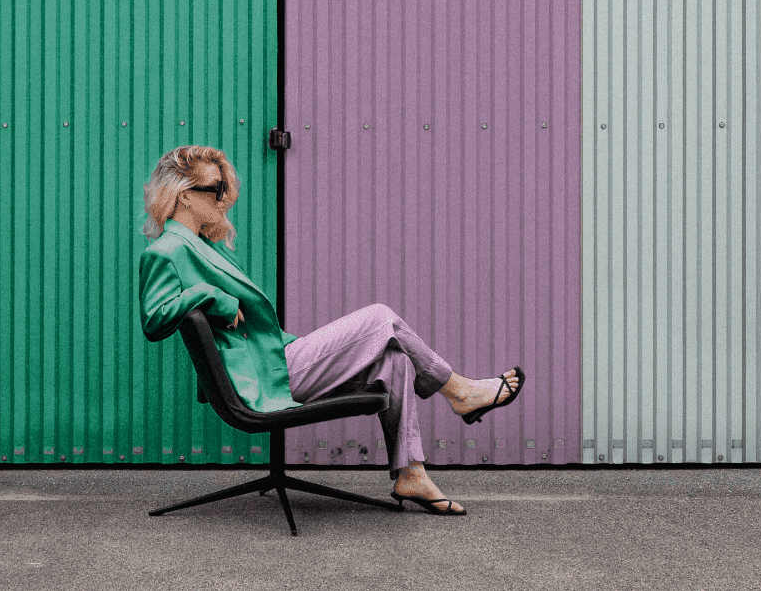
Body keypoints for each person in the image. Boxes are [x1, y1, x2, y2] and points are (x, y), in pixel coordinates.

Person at [137, 144, 523, 516]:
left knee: (395, 360)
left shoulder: (206, 244)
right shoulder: (167, 251)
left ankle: (412, 475)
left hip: (276, 359)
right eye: (214, 189)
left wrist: (213, 295)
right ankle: (460, 391)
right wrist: (213, 296)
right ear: (184, 196)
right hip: (264, 376)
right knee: (380, 317)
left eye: (225, 189)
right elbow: (154, 319)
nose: (223, 198)